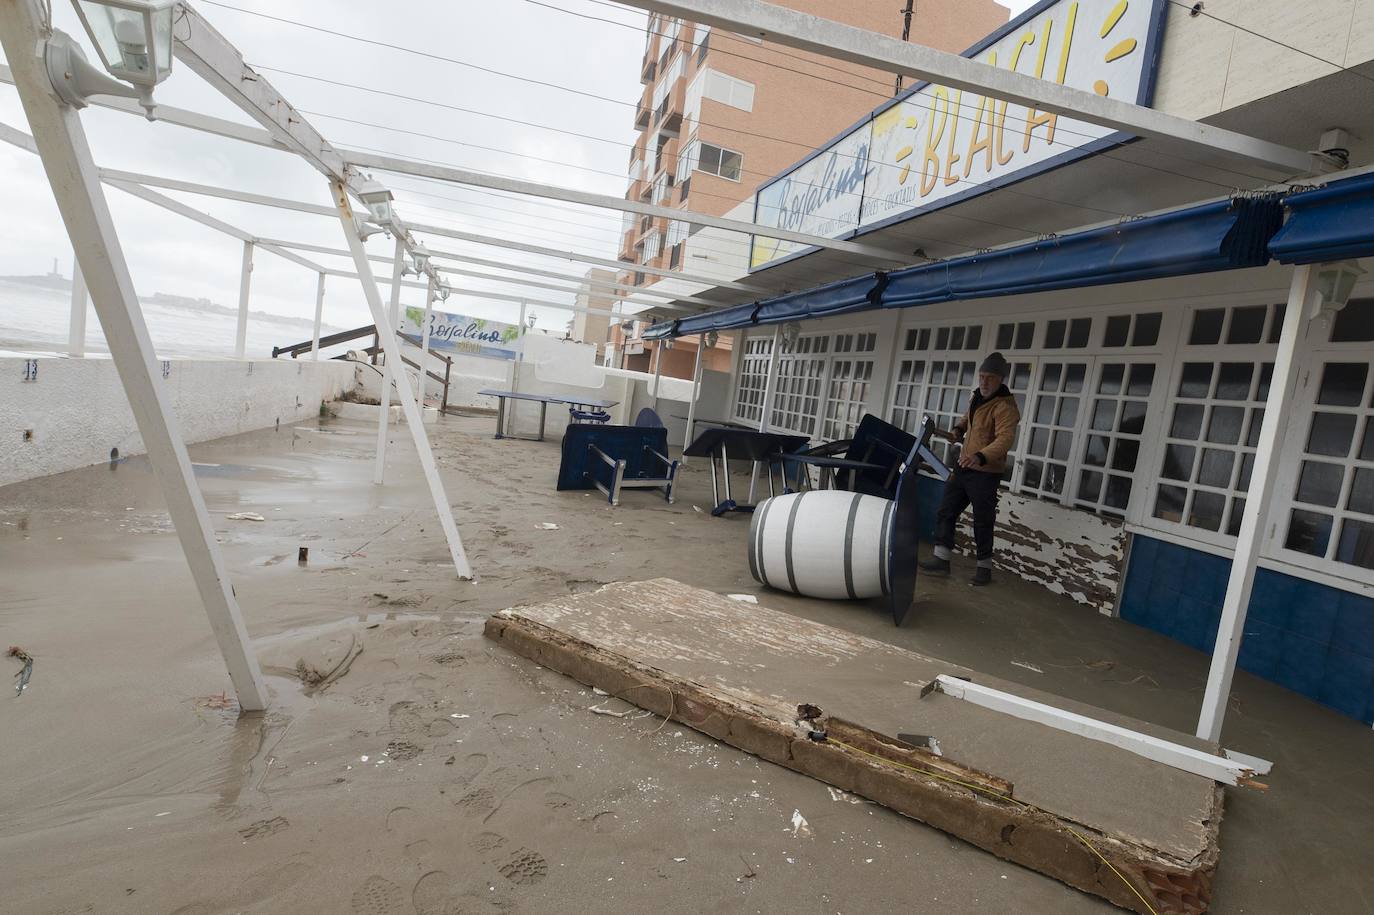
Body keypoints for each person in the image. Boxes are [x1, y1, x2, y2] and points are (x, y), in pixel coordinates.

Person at [920, 351, 1020, 586]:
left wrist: (981, 456)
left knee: (982, 520)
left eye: (990, 378)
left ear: (1000, 380)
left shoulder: (1006, 407)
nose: (984, 382)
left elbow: (1005, 439)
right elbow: (968, 418)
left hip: (985, 472)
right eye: (982, 376)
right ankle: (941, 559)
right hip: (964, 465)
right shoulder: (977, 397)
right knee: (946, 510)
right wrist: (957, 430)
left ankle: (984, 569)